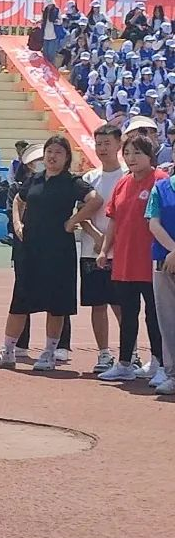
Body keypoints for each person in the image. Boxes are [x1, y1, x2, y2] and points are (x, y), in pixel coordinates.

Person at [0, 136, 101, 371]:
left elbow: (95, 200)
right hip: (30, 249)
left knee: (56, 303)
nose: (52, 156)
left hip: (58, 250)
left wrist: (73, 221)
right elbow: (19, 199)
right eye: (49, 151)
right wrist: (17, 223)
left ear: (66, 157)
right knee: (20, 301)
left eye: (58, 152)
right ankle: (8, 351)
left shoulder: (72, 182)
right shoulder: (35, 179)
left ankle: (49, 352)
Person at [97, 135, 168, 387]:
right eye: (127, 153)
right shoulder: (123, 182)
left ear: (150, 156)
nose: (131, 158)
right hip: (124, 260)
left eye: (137, 153)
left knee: (154, 315)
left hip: (151, 260)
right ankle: (125, 363)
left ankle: (161, 363)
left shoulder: (160, 180)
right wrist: (104, 250)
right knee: (127, 314)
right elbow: (113, 220)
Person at [78, 124, 126, 373]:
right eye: (98, 144)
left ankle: (129, 353)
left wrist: (111, 241)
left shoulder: (128, 176)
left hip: (121, 252)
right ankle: (104, 354)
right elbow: (81, 214)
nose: (102, 148)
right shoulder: (89, 178)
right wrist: (97, 237)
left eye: (107, 143)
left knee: (121, 305)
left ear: (119, 144)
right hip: (91, 250)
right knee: (98, 304)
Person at [146, 153, 175, 394]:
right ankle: (172, 374)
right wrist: (173, 250)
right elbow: (153, 223)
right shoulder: (161, 187)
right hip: (164, 263)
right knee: (168, 320)